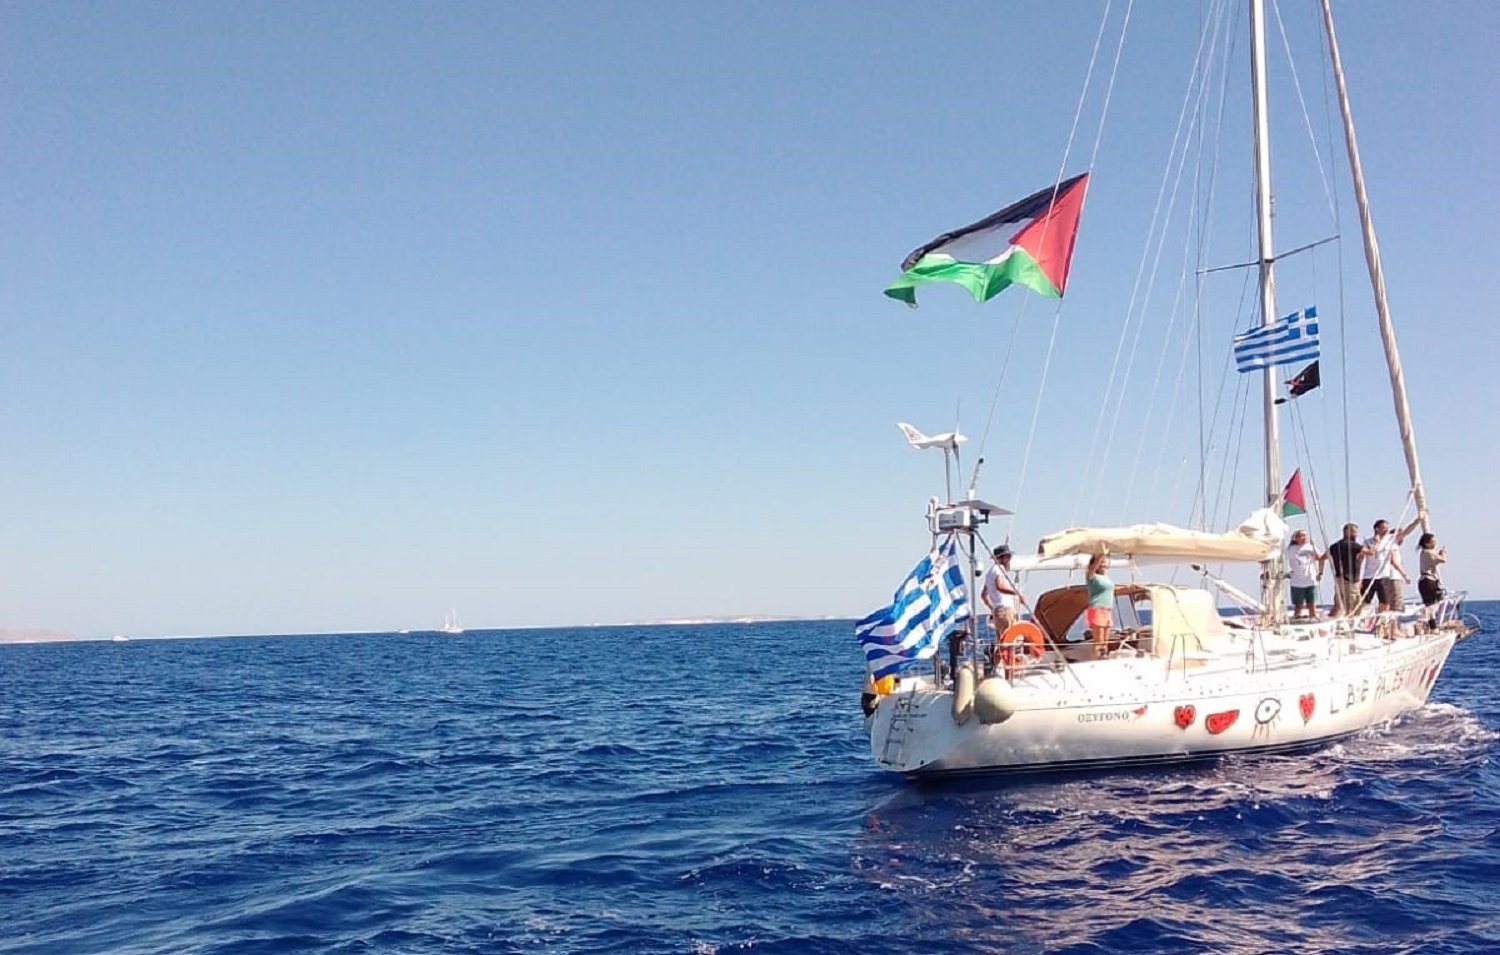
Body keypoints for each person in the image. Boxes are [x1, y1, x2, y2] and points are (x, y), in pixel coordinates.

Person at [1361, 515, 1420, 613]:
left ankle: (1382, 624)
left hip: (1383, 576)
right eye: (1384, 528)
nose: (1386, 530)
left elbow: (1405, 532)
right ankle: (1362, 621)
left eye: (1387, 528)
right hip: (1369, 575)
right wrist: (1376, 541)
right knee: (1364, 602)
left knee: (1385, 602)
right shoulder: (1367, 541)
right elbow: (1366, 554)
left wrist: (1417, 521)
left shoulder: (1390, 539)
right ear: (1377, 529)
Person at [981, 544, 1023, 636]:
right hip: (1005, 610)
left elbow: (984, 595)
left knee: (1003, 642)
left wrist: (993, 608)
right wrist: (1017, 593)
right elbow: (999, 586)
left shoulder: (990, 573)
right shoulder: (998, 569)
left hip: (998, 611)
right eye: (1008, 557)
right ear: (1001, 558)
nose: (1009, 559)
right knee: (1009, 640)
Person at [1286, 529, 1327, 620]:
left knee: (1311, 603)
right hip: (1297, 581)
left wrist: (1320, 573)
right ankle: (1297, 618)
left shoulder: (1310, 547)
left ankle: (1313, 617)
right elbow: (1281, 560)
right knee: (1298, 605)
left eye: (1305, 536)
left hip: (1310, 579)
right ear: (1296, 538)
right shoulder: (1290, 549)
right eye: (1302, 536)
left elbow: (1320, 558)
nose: (1304, 538)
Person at [1327, 523, 1364, 618]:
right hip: (1350, 580)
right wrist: (1376, 543)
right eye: (1354, 532)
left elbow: (1322, 557)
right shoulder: (1354, 546)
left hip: (1339, 578)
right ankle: (1349, 622)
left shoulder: (1334, 546)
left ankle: (1330, 619)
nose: (1356, 535)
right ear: (1347, 532)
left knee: (1339, 603)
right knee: (1353, 604)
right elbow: (1371, 552)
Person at [1085, 552, 1114, 660]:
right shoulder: (1092, 576)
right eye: (1101, 562)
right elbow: (1092, 568)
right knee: (1099, 642)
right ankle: (1095, 661)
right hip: (1097, 609)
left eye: (1105, 561)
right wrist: (1101, 554)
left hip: (1107, 610)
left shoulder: (1106, 577)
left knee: (1105, 643)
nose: (1103, 563)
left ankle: (1103, 660)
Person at [1417, 532, 1447, 616]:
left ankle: (1431, 624)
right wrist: (1443, 552)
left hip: (1424, 581)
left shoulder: (1423, 553)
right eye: (1433, 542)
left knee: (1429, 605)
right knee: (1432, 604)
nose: (1435, 544)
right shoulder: (1428, 553)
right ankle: (1433, 624)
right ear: (1427, 543)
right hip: (1429, 581)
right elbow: (1442, 560)